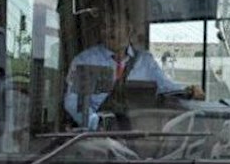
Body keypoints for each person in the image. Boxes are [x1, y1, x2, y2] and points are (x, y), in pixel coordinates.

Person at [64, 13, 204, 130]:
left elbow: (167, 88)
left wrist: (189, 91)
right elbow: (73, 102)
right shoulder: (85, 60)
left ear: (128, 29)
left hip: (136, 132)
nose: (107, 31)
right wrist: (98, 124)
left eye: (113, 24)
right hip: (97, 136)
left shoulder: (145, 61)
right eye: (104, 27)